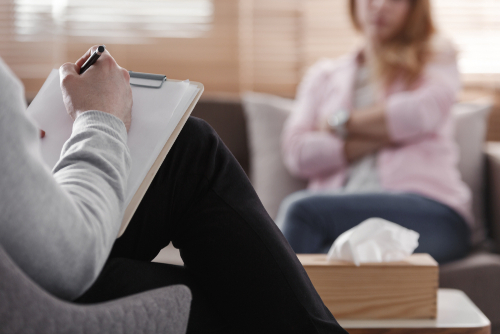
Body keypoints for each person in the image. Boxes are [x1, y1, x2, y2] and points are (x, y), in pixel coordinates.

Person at [0, 47, 347, 333]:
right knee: (235, 300)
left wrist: (19, 160)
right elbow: (66, 259)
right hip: (27, 285)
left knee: (187, 148)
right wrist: (101, 118)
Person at [279, 0, 472, 264]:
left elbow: (421, 113)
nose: (380, 5)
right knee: (323, 259)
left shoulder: (434, 57)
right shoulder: (322, 76)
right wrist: (388, 133)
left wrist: (341, 123)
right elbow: (297, 152)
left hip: (431, 211)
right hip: (340, 213)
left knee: (300, 211)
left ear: (413, 8)